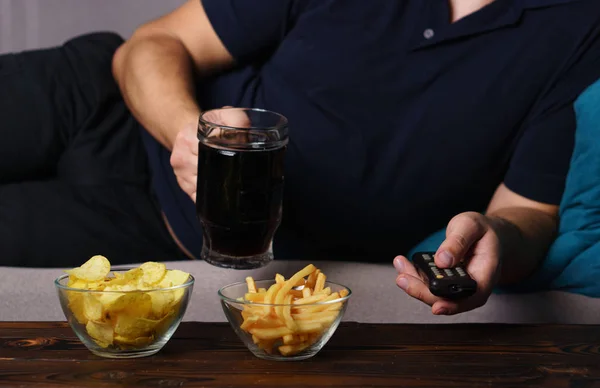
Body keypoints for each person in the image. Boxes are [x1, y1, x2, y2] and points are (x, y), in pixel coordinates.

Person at [1, 0, 599, 317]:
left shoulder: (580, 29)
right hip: (96, 101)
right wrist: (192, 133)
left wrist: (493, 235)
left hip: (160, 234)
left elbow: (529, 212)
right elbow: (155, 44)